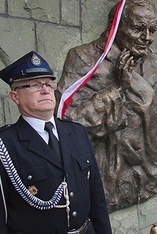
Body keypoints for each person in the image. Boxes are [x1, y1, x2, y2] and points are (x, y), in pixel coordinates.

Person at [56, 0, 157, 211]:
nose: (146, 37)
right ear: (116, 25)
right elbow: (70, 123)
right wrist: (118, 88)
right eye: (138, 29)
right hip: (110, 171)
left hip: (151, 169)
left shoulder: (155, 64)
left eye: (152, 30)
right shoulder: (84, 59)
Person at [0, 51, 112, 233]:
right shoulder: (5, 144)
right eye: (35, 85)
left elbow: (96, 196)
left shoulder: (76, 132)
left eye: (48, 83)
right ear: (15, 97)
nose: (45, 90)